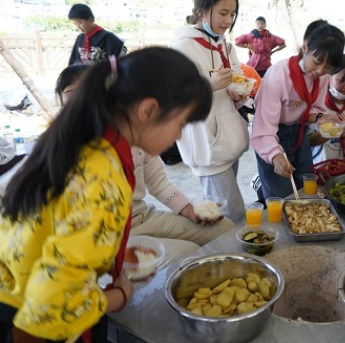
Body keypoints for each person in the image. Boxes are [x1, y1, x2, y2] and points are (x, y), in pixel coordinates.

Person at [0, 47, 213, 342]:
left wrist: (108, 253)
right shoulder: (104, 180)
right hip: (27, 321)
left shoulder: (84, 141)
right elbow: (49, 312)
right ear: (149, 110)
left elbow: (59, 226)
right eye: (181, 124)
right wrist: (118, 296)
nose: (178, 137)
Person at [55, 66, 234, 256]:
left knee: (225, 228)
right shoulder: (63, 147)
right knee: (186, 253)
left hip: (144, 217)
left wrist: (190, 210)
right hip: (108, 234)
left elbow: (159, 183)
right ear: (60, 103)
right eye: (73, 93)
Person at [172, 0, 249, 223]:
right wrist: (209, 85)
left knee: (219, 211)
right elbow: (174, 97)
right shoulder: (184, 47)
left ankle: (219, 255)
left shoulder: (225, 46)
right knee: (233, 215)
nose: (228, 21)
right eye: (223, 13)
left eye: (232, 14)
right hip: (206, 142)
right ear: (201, 11)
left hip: (229, 138)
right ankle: (231, 258)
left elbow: (235, 80)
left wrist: (238, 93)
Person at [252, 20, 345, 199]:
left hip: (299, 133)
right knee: (280, 194)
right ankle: (263, 188)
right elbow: (264, 124)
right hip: (273, 135)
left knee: (305, 184)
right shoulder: (279, 74)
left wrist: (321, 117)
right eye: (317, 61)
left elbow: (312, 108)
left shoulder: (322, 77)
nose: (320, 70)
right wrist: (275, 155)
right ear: (305, 46)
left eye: (327, 67)